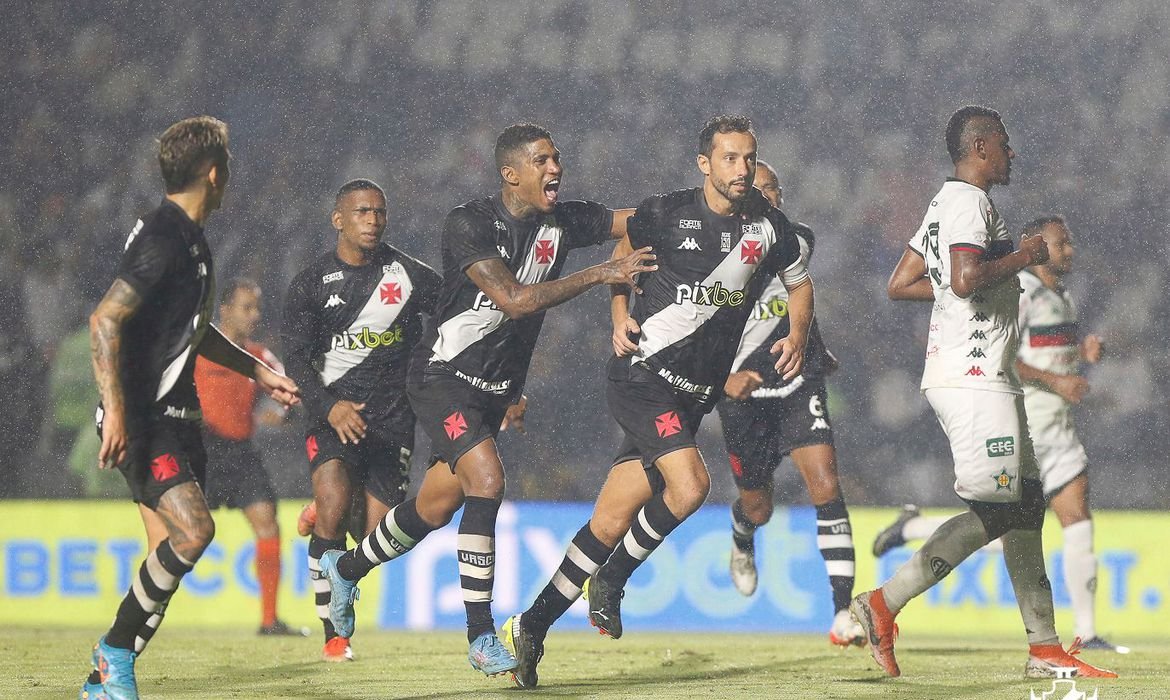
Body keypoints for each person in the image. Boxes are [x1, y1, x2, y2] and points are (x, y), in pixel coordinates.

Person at [317, 123, 655, 677]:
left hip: (494, 392)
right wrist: (603, 273)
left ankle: (346, 568)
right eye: (542, 161)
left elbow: (639, 221)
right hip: (442, 376)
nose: (556, 168)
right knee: (488, 480)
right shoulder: (469, 223)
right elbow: (514, 300)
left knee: (435, 506)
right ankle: (480, 634)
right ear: (511, 174)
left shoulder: (566, 221)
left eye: (557, 158)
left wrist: (709, 212)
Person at [501, 115, 814, 688]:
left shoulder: (770, 227)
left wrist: (796, 335)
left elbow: (800, 281)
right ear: (705, 163)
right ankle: (614, 577)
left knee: (609, 520)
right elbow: (624, 257)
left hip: (693, 396)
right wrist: (619, 315)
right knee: (691, 486)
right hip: (643, 376)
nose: (742, 169)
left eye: (749, 158)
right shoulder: (668, 213)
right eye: (730, 158)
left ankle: (530, 626)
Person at [861, 105, 1115, 679]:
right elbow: (964, 279)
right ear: (979, 148)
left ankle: (1044, 647)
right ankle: (883, 603)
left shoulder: (943, 204)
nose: (1011, 152)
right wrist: (1025, 255)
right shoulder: (969, 204)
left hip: (987, 378)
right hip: (973, 379)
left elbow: (902, 283)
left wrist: (974, 282)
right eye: (1003, 142)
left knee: (1026, 507)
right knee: (1002, 511)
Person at [81, 116, 300, 700]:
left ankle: (103, 677)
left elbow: (194, 330)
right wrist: (116, 410)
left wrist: (257, 369)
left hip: (178, 419)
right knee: (194, 531)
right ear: (213, 172)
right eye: (227, 162)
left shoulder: (191, 238)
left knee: (175, 551)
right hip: (144, 418)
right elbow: (105, 319)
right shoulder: (164, 235)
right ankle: (112, 655)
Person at [281, 178, 444, 662]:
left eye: (379, 212)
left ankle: (322, 513)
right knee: (334, 502)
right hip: (333, 416)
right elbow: (296, 360)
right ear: (338, 220)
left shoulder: (410, 275)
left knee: (376, 538)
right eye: (361, 212)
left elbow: (457, 313)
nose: (372, 220)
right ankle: (334, 635)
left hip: (393, 420)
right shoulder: (310, 284)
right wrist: (329, 407)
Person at [716, 161, 864, 647]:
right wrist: (721, 378)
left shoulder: (797, 239)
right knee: (759, 508)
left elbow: (794, 290)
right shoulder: (711, 256)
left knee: (827, 485)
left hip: (796, 384)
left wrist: (812, 345)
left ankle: (842, 612)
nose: (768, 196)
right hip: (743, 398)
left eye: (773, 189)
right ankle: (742, 535)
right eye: (757, 190)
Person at [193, 277, 303, 636]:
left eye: (257, 308)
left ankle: (269, 621)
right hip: (201, 452)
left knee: (267, 523)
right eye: (246, 307)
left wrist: (282, 412)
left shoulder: (260, 357)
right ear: (224, 310)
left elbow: (289, 393)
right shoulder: (197, 349)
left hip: (240, 453)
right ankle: (146, 608)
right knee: (180, 533)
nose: (254, 315)